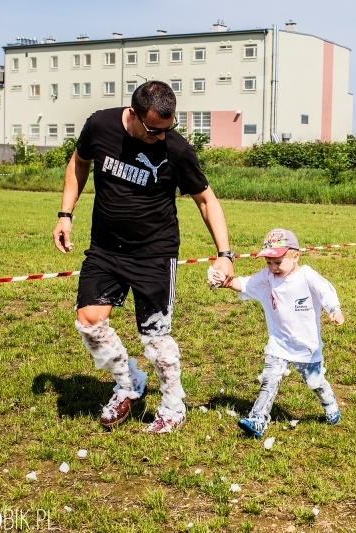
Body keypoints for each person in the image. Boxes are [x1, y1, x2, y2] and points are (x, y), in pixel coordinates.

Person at [52, 81, 235, 434]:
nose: (161, 136)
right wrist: (65, 214)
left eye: (169, 128)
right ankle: (129, 382)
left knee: (155, 337)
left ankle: (173, 405)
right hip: (105, 248)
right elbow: (79, 162)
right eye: (153, 129)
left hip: (155, 252)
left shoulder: (177, 150)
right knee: (89, 320)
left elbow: (206, 200)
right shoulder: (100, 125)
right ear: (133, 114)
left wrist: (224, 254)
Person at [210, 228, 344, 438]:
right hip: (279, 343)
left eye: (278, 262)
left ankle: (329, 403)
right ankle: (257, 420)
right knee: (269, 380)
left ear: (296, 256)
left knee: (315, 383)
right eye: (268, 263)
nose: (272, 268)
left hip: (306, 346)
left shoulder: (307, 276)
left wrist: (334, 310)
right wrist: (223, 281)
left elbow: (326, 291)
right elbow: (245, 284)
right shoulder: (268, 277)